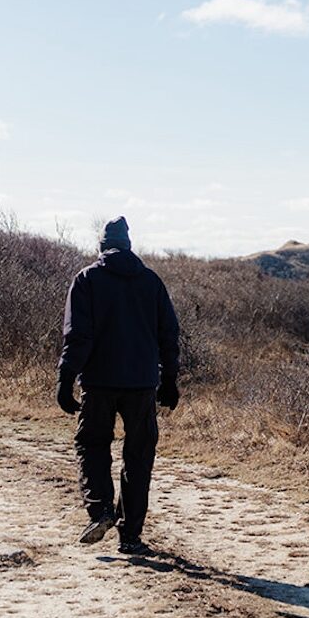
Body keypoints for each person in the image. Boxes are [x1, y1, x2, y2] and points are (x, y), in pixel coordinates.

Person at [57, 216, 180, 556]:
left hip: (98, 382)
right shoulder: (151, 281)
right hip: (142, 383)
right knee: (138, 457)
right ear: (129, 245)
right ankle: (131, 536)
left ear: (101, 246)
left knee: (92, 444)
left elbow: (77, 336)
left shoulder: (87, 279)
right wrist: (170, 380)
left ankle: (101, 511)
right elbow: (169, 335)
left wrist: (66, 378)